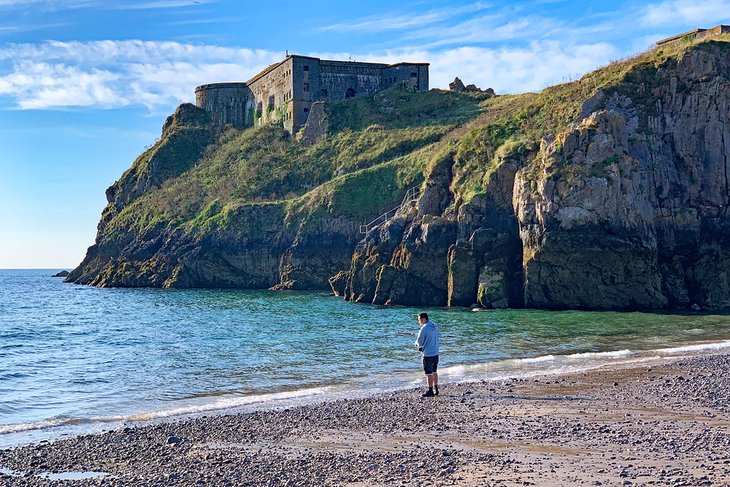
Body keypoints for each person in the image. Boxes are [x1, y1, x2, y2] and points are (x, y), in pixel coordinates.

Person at [415, 312, 440, 397]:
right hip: (436, 353)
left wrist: (416, 344)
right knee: (434, 371)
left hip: (428, 355)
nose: (419, 322)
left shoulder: (424, 329)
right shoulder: (435, 326)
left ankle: (430, 391)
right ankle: (436, 389)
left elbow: (419, 342)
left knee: (428, 373)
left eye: (419, 320)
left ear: (423, 319)